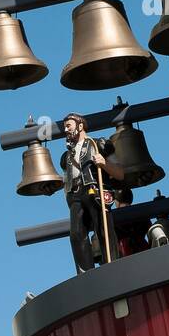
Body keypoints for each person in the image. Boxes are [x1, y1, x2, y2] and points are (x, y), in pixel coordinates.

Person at [60, 113, 123, 272]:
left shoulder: (99, 144)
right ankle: (84, 272)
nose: (66, 130)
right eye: (64, 127)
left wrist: (105, 164)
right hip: (76, 195)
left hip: (95, 190)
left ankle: (112, 264)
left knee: (103, 228)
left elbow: (120, 174)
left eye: (69, 126)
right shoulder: (66, 156)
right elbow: (65, 181)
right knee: (75, 234)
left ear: (80, 126)